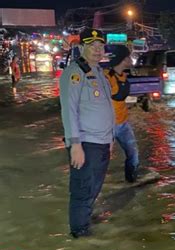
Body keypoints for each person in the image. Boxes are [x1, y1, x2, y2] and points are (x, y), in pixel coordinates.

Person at [59, 28, 115, 238]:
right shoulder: (75, 73)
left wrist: (110, 140)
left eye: (100, 46)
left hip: (101, 143)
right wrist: (75, 144)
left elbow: (106, 108)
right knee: (82, 190)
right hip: (85, 143)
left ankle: (85, 218)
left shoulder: (98, 72)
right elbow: (69, 110)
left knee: (95, 186)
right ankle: (79, 235)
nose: (97, 50)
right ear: (81, 47)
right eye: (92, 46)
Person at [104, 45, 140, 182]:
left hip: (123, 123)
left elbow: (122, 99)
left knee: (133, 154)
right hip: (109, 126)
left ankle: (131, 183)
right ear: (123, 59)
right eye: (129, 57)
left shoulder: (123, 76)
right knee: (102, 159)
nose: (131, 59)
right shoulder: (106, 78)